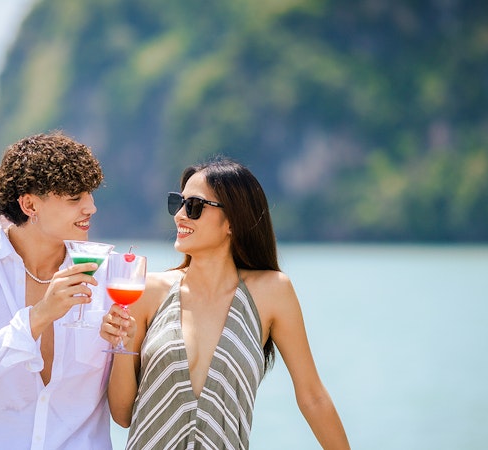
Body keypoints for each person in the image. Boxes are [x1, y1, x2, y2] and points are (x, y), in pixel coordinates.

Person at [101, 158, 350, 449]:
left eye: (194, 206)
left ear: (233, 220)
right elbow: (122, 414)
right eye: (177, 203)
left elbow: (312, 396)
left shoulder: (272, 292)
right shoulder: (148, 291)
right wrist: (122, 343)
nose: (180, 215)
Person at [0, 131, 113, 449]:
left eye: (90, 194)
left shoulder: (109, 270)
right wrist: (40, 316)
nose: (91, 207)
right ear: (29, 204)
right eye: (75, 198)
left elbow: (125, 399)